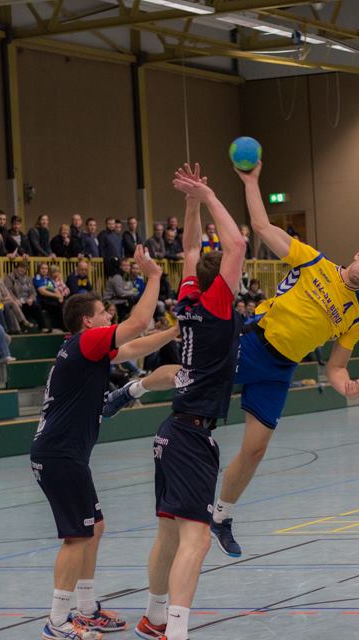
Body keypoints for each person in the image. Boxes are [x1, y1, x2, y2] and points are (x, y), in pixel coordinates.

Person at [210, 161, 359, 557]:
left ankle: (221, 517)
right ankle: (134, 387)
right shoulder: (312, 261)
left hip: (280, 370)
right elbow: (262, 226)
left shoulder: (357, 317)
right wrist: (251, 182)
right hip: (253, 342)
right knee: (189, 375)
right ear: (358, 254)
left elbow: (336, 366)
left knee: (255, 450)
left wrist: (346, 387)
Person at [103, 163, 246, 640]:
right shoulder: (218, 305)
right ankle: (176, 630)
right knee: (197, 539)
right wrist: (206, 195)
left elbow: (189, 249)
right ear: (222, 283)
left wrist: (190, 204)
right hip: (190, 436)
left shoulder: (188, 301)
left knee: (169, 535)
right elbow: (236, 244)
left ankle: (155, 617)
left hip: (173, 433)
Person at [30, 245, 177, 640]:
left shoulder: (85, 351)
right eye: (104, 313)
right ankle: (57, 621)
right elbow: (138, 323)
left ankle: (86, 608)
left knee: (93, 527)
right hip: (60, 455)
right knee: (77, 536)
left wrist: (176, 331)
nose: (109, 316)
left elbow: (132, 348)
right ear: (87, 321)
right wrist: (154, 276)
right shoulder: (85, 343)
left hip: (64, 454)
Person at [6, 259, 45, 331]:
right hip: (17, 300)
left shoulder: (28, 278)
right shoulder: (10, 277)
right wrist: (15, 300)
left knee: (36, 306)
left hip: (27, 300)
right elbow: (8, 291)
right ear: (17, 268)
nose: (22, 270)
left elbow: (33, 292)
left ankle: (43, 328)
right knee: (20, 307)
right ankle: (23, 328)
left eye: (24, 268)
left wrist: (31, 298)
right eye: (21, 267)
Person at [34, 262, 64, 332]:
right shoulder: (37, 278)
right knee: (56, 306)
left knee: (63, 303)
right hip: (42, 301)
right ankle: (61, 327)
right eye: (42, 268)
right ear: (39, 269)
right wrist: (56, 296)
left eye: (46, 269)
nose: (44, 270)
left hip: (51, 300)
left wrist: (60, 296)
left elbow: (55, 289)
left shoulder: (48, 279)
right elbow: (42, 292)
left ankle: (64, 327)